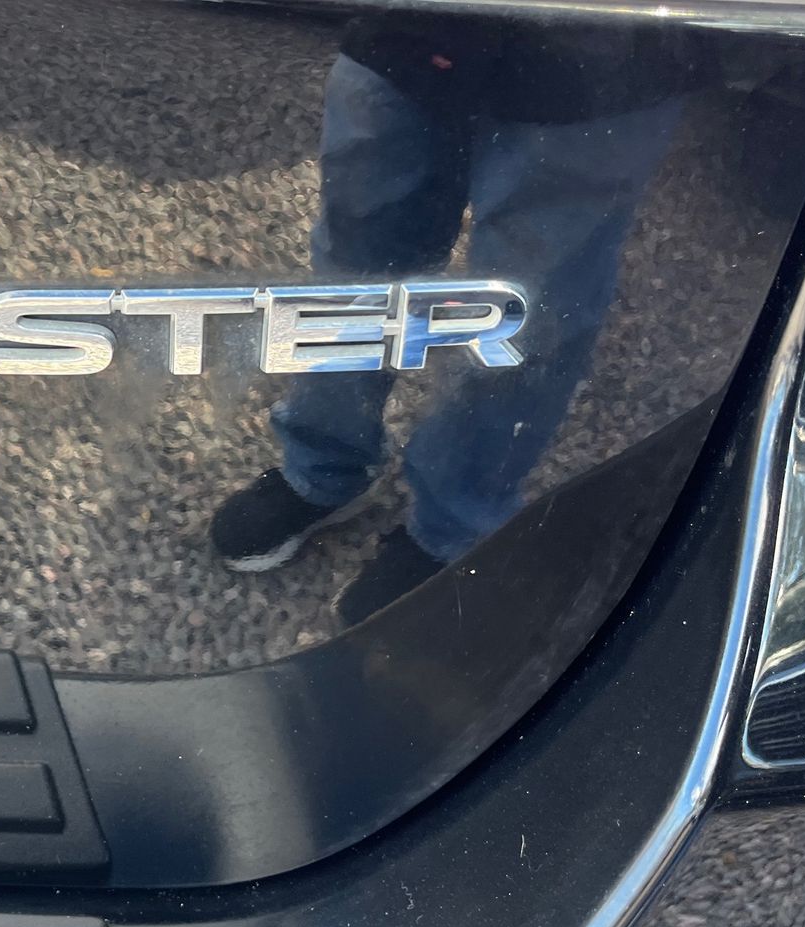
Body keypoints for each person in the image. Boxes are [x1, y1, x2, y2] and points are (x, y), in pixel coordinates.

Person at [212, 8, 699, 622]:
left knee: (526, 309)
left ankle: (454, 526)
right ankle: (324, 461)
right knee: (356, 266)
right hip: (408, 27)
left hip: (603, 50)